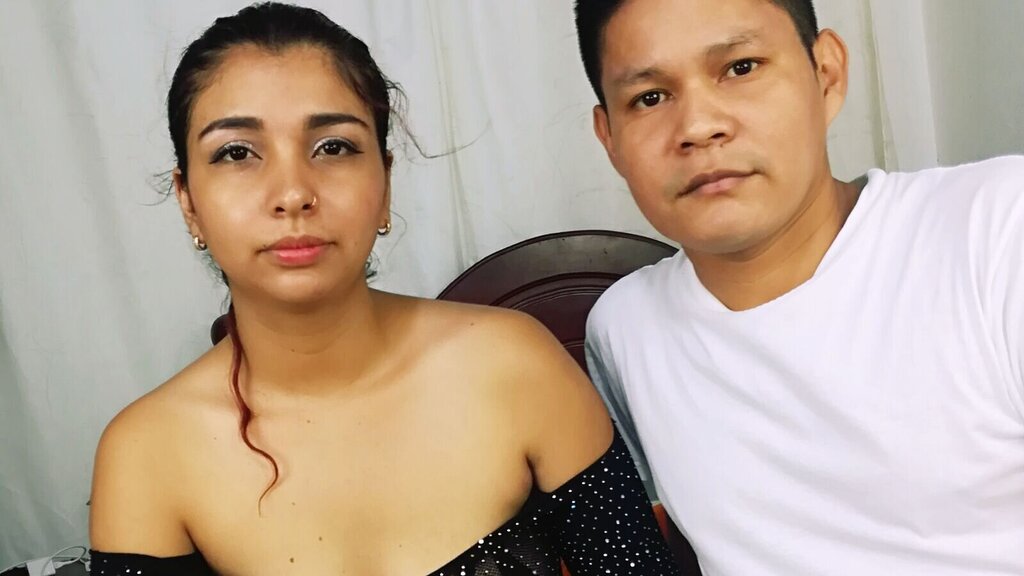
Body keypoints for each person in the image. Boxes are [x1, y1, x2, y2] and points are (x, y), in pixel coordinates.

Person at [88, 3, 683, 575]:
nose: (292, 193)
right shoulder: (145, 457)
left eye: (333, 147)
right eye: (237, 152)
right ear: (189, 202)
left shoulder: (518, 366)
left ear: (385, 183)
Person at [576, 0, 1024, 574]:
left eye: (740, 68)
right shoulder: (624, 328)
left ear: (826, 74)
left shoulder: (995, 229)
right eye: (649, 97)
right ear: (609, 138)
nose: (698, 127)